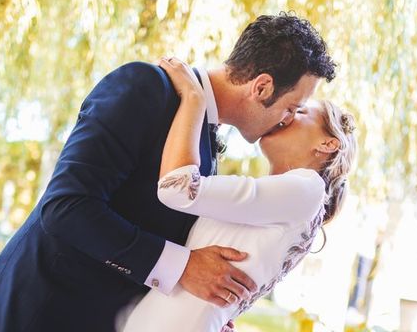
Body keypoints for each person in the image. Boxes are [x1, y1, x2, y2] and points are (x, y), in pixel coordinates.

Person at [0, 13, 337, 331]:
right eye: (292, 107)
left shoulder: (201, 142)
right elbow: (65, 207)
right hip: (41, 313)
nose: (287, 120)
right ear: (262, 86)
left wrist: (200, 311)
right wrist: (183, 266)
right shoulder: (145, 88)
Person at [121, 58, 357, 331]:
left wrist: (194, 99)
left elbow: (178, 188)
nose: (286, 117)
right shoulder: (290, 201)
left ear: (328, 144)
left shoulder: (308, 189)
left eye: (299, 111)